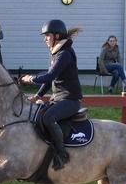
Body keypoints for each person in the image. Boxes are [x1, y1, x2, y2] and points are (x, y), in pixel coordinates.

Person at [21, 19, 82, 170]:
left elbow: (49, 76)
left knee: (48, 117)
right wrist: (38, 96)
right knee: (38, 115)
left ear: (57, 36)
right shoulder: (57, 53)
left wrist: (30, 78)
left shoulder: (65, 54)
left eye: (47, 35)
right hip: (59, 98)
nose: (45, 39)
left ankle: (62, 155)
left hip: (70, 100)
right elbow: (51, 78)